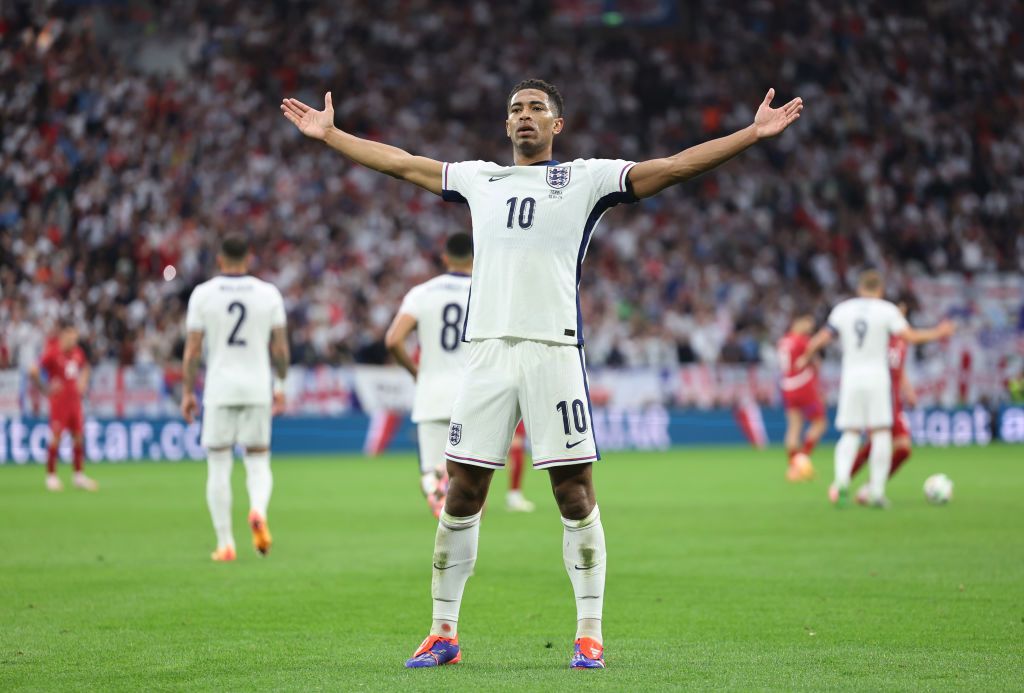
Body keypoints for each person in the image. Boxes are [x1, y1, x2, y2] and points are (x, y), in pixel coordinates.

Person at [282, 78, 803, 669]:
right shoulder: (481, 179)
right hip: (485, 352)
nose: (523, 116)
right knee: (462, 490)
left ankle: (589, 633)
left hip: (553, 350)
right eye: (514, 110)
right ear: (506, 126)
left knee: (573, 492)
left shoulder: (587, 178)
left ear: (557, 125)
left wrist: (753, 134)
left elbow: (677, 166)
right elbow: (402, 164)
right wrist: (329, 136)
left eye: (535, 108)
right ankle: (442, 630)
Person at [386, 233, 535, 517]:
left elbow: (393, 340)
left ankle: (437, 492)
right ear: (475, 256)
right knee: (472, 484)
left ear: (445, 258)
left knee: (431, 474)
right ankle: (461, 540)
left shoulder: (421, 293)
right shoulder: (491, 291)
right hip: (476, 394)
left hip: (431, 394)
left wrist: (416, 372)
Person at [799, 271, 954, 508]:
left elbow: (822, 338)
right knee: (881, 432)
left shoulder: (844, 309)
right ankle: (877, 492)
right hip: (877, 378)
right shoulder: (887, 310)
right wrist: (938, 332)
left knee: (850, 432)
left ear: (859, 288)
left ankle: (841, 484)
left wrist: (806, 356)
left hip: (851, 377)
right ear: (880, 290)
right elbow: (909, 336)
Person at [181, 235, 290, 562]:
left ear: (219, 259)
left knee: (218, 465)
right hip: (257, 388)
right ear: (249, 258)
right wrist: (281, 385)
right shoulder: (268, 293)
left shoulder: (203, 294)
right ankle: (257, 510)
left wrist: (188, 392)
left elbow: (192, 351)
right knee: (258, 460)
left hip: (219, 389)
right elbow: (281, 349)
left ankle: (226, 543)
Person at [849, 299, 915, 503]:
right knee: (877, 444)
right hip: (877, 399)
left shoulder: (902, 341)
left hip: (895, 402)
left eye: (902, 314)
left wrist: (907, 388)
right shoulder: (876, 338)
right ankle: (843, 481)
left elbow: (899, 370)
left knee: (902, 450)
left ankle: (869, 487)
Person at [29, 322, 97, 492]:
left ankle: (78, 476)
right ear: (63, 336)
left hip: (75, 402)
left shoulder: (77, 353)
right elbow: (33, 370)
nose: (74, 340)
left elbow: (86, 367)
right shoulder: (52, 353)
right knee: (56, 437)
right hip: (59, 403)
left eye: (75, 337)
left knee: (78, 437)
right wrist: (45, 388)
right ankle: (51, 476)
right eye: (71, 336)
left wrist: (83, 381)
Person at [777, 314, 826, 482]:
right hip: (803, 384)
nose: (810, 328)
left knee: (793, 427)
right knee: (819, 423)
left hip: (787, 385)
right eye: (809, 324)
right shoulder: (803, 341)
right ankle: (802, 461)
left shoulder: (784, 341)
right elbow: (815, 360)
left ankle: (792, 468)